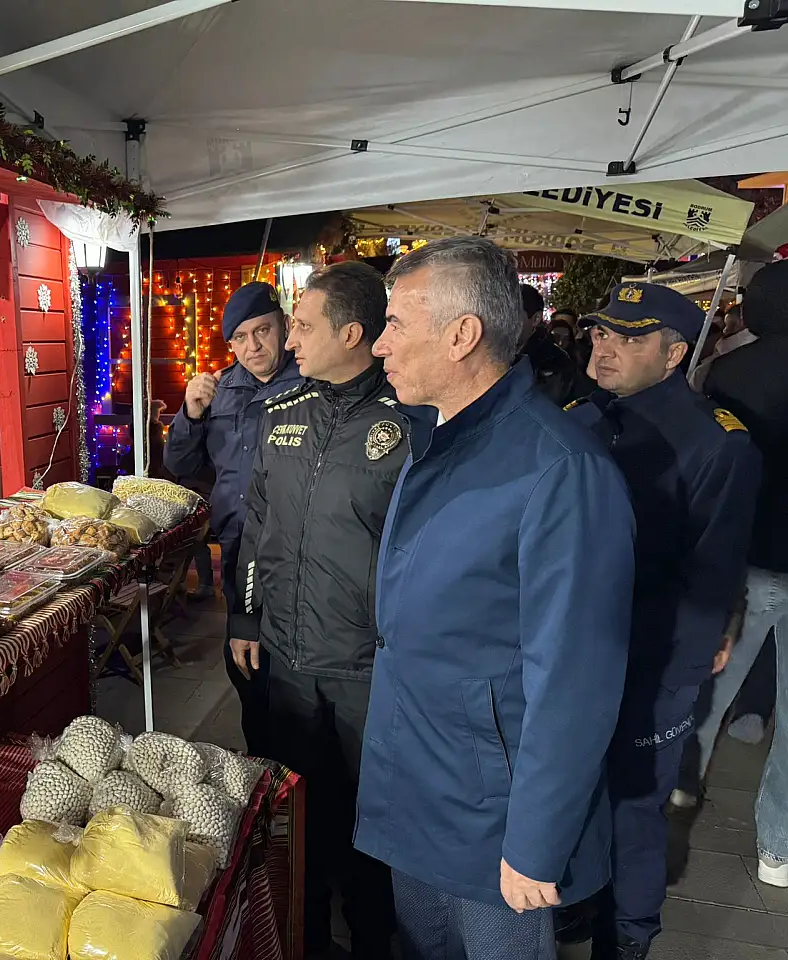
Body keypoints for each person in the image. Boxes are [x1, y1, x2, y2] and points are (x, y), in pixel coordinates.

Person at [354, 237, 636, 960]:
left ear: (462, 336)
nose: (380, 345)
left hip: (492, 818)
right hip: (419, 784)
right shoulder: (436, 435)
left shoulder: (560, 469)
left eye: (395, 324)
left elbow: (575, 680)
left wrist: (537, 842)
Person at [561, 283, 761, 958]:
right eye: (601, 333)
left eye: (629, 337)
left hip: (651, 657)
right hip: (572, 651)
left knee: (634, 806)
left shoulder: (716, 443)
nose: (605, 347)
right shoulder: (579, 417)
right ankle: (581, 898)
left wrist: (685, 668)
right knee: (572, 790)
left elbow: (714, 569)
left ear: (675, 354)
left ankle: (629, 932)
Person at [228, 261, 403, 958]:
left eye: (302, 325)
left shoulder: (410, 423)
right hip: (286, 655)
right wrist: (246, 617)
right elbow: (257, 523)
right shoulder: (283, 415)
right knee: (295, 815)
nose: (290, 339)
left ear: (351, 334)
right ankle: (302, 938)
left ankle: (373, 940)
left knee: (368, 822)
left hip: (366, 665)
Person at [683, 260, 788, 888]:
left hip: (747, 555)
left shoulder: (725, 373)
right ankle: (779, 848)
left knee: (710, 685)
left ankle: (677, 792)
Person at [164, 281, 301, 754]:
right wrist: (190, 414)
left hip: (296, 549)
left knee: (289, 667)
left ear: (284, 325)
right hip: (238, 546)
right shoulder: (219, 390)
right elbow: (180, 464)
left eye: (262, 331)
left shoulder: (311, 381)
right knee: (244, 661)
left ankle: (293, 763)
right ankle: (262, 760)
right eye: (240, 337)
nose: (253, 346)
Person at [518, 284, 576, 405]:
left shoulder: (556, 362)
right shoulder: (492, 352)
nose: (504, 321)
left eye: (513, 315)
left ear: (536, 318)